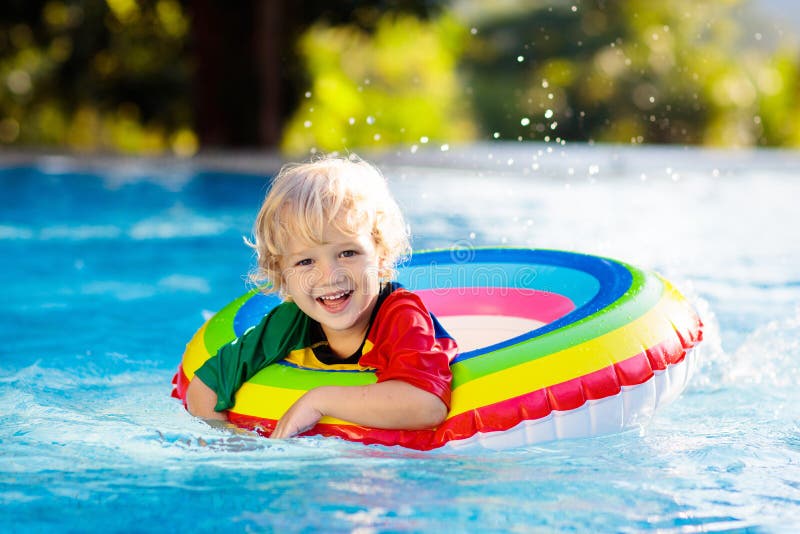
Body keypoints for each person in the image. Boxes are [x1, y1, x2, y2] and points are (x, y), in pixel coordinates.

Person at [186, 154, 458, 438]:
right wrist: (231, 442)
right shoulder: (290, 322)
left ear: (380, 254)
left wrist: (319, 400)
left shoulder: (401, 316)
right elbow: (206, 386)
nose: (330, 276)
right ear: (283, 273)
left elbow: (428, 406)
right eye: (305, 262)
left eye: (347, 253)